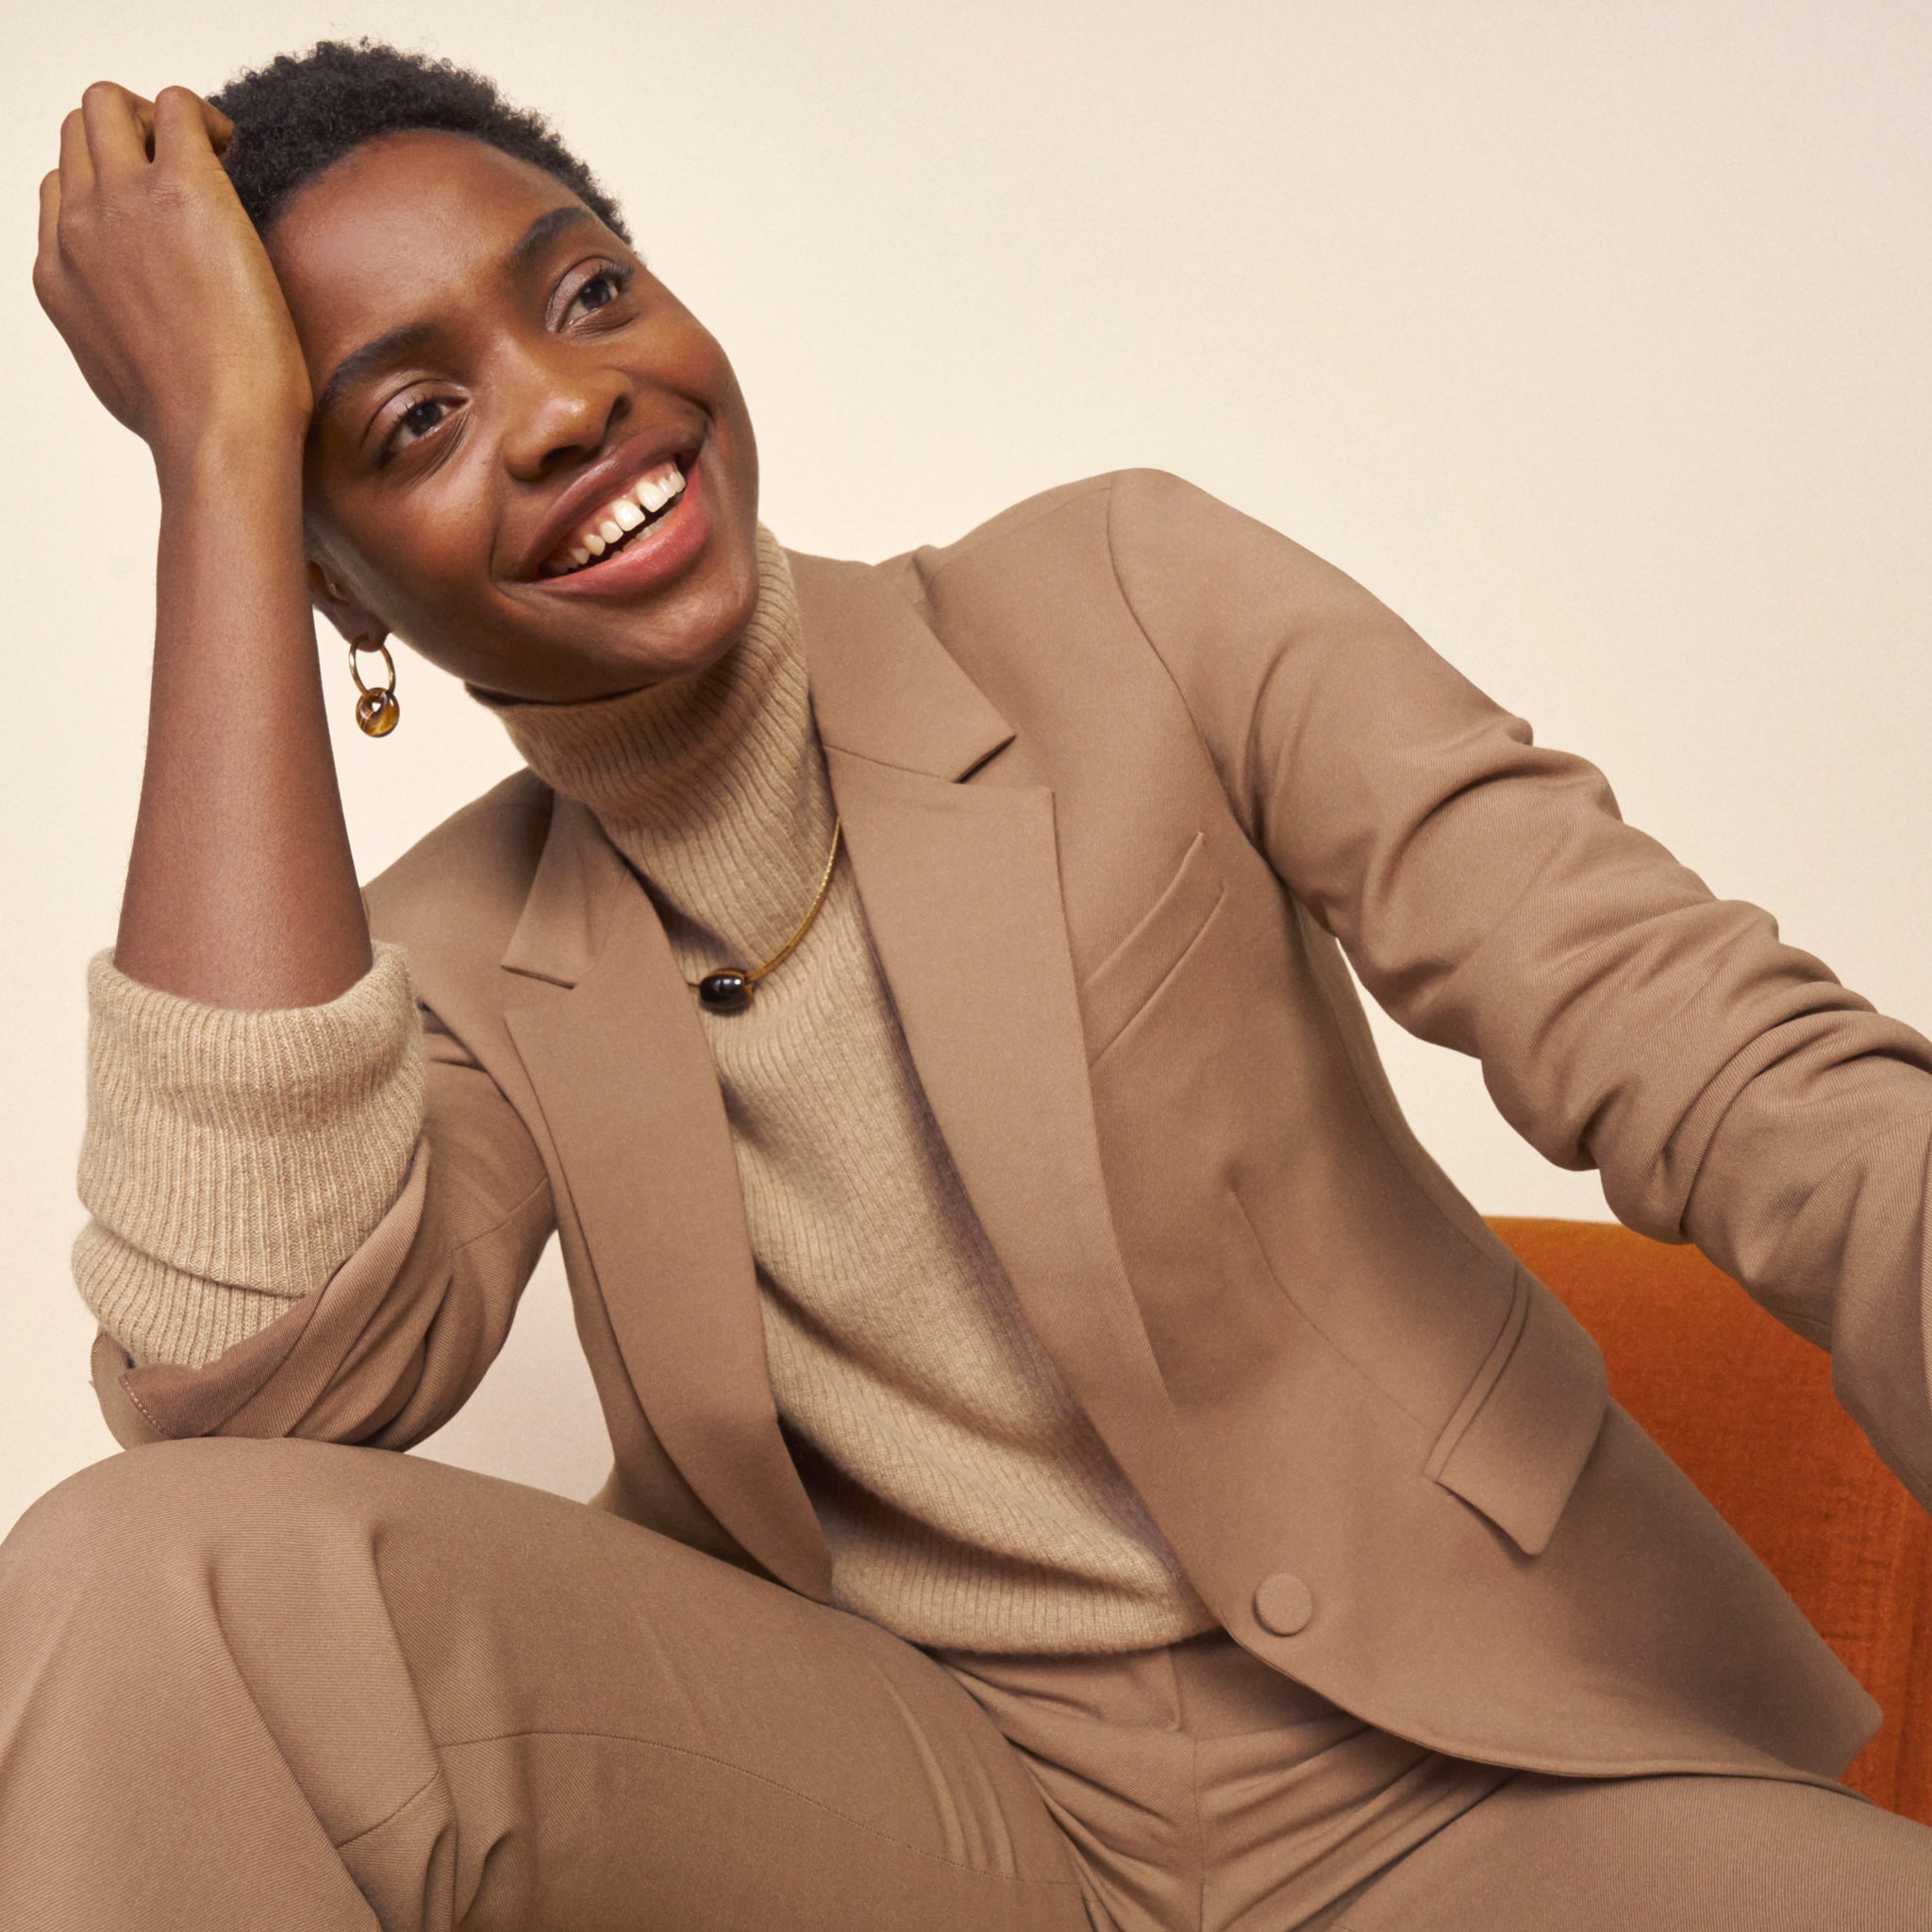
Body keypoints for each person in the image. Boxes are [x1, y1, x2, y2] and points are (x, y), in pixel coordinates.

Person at [6, 37, 1932, 1932]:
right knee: (143, 1568)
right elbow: (238, 1394)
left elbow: (1720, 1068)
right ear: (332, 579)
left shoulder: (1125, 597)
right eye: (407, 423)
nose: (565, 407)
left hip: (1474, 1765)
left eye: (589, 293)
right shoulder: (437, 963)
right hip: (919, 1807)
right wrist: (218, 476)